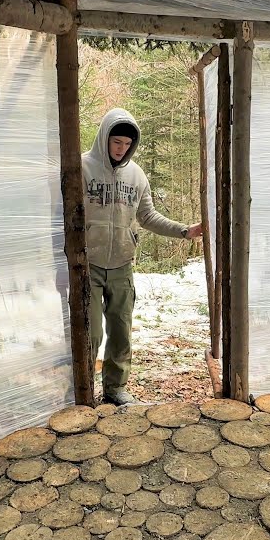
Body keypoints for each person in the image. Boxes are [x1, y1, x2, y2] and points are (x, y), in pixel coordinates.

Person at [83, 108, 202, 405]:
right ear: (104, 138)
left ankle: (115, 389)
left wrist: (185, 231)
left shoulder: (136, 175)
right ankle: (81, 388)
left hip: (122, 264)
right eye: (116, 142)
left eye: (126, 144)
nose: (121, 149)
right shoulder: (82, 168)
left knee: (121, 330)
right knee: (90, 332)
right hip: (87, 265)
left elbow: (147, 215)